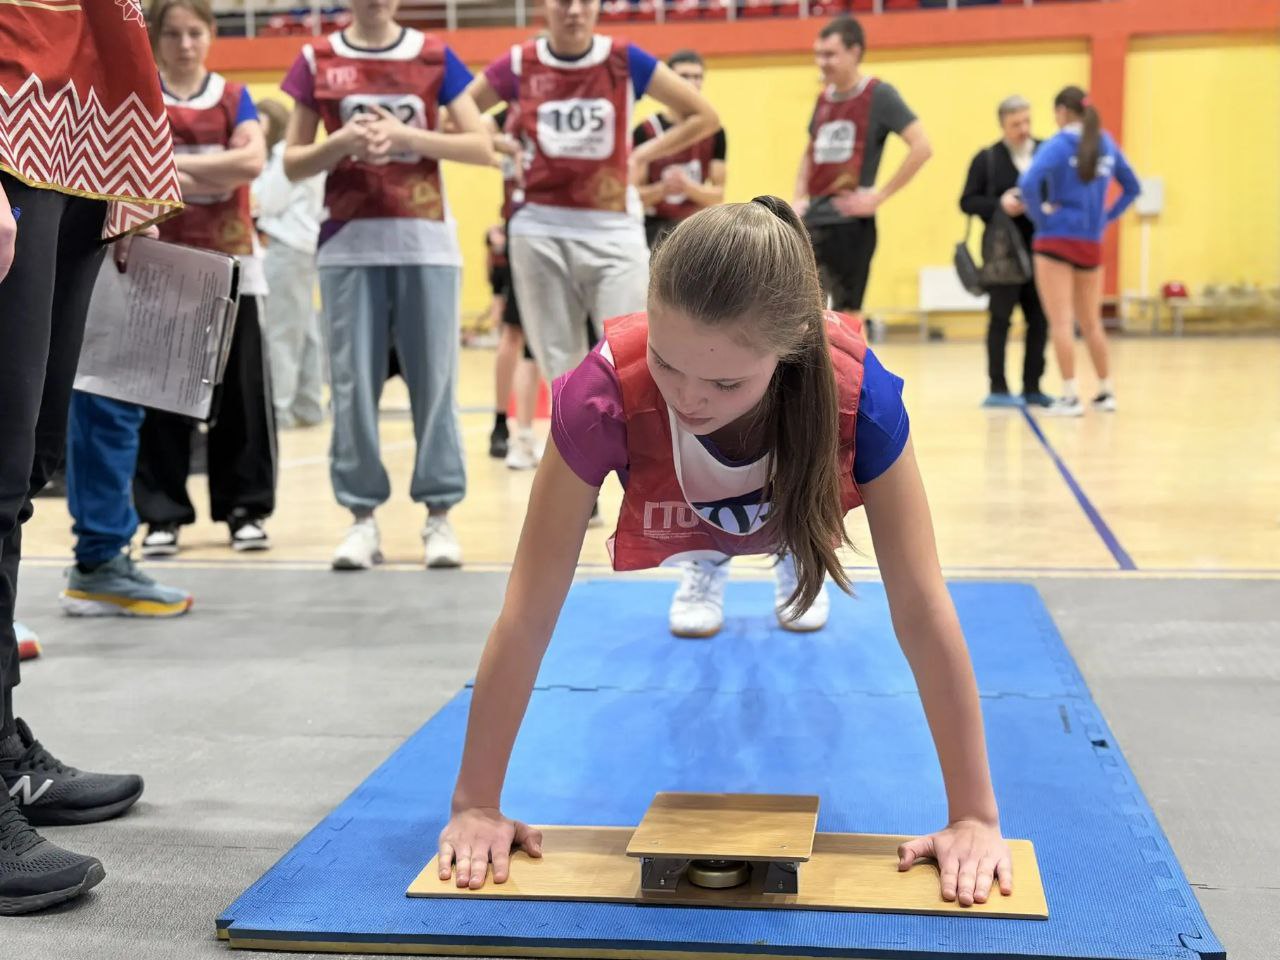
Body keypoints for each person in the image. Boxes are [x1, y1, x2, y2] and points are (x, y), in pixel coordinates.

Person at [435, 199, 1014, 911]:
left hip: (795, 492)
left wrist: (974, 818)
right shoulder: (601, 396)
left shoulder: (861, 402)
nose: (687, 398)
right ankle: (708, 560)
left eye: (725, 383)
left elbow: (923, 610)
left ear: (792, 346)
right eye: (667, 363)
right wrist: (475, 804)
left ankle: (796, 551)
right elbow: (527, 613)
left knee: (802, 527)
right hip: (684, 511)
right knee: (686, 481)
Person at [0, 0, 182, 913]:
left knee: (18, 478)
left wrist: (125, 172)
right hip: (8, 125)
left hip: (71, 137)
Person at [281, 0, 494, 570]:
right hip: (347, 247)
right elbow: (293, 163)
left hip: (426, 243)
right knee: (351, 389)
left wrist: (408, 135)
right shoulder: (315, 58)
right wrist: (342, 142)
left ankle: (440, 515)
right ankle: (361, 518)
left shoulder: (432, 56)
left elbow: (481, 145)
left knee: (437, 385)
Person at [467, 0, 720, 385]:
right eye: (563, 2)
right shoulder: (519, 62)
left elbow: (705, 116)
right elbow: (458, 110)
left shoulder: (623, 58)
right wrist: (506, 147)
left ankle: (631, 444)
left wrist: (643, 152)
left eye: (584, 2)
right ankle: (569, 443)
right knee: (560, 366)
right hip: (539, 229)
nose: (574, 11)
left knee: (629, 354)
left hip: (612, 226)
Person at [134, 0, 276, 558]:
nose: (185, 44)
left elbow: (251, 163)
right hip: (163, 265)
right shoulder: (142, 93)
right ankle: (163, 514)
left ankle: (246, 508)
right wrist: (214, 159)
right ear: (155, 38)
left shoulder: (235, 94)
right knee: (162, 395)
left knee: (241, 395)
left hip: (235, 264)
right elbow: (133, 162)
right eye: (173, 34)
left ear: (211, 35)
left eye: (195, 33)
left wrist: (173, 163)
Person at [793, 16, 931, 314]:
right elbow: (809, 152)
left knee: (847, 314)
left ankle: (852, 363)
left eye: (829, 54)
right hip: (813, 220)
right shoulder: (823, 99)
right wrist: (799, 197)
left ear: (854, 52)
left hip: (850, 223)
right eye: (818, 54)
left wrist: (878, 197)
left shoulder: (879, 95)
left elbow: (922, 147)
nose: (821, 62)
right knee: (803, 313)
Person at [1019, 86, 1140, 417]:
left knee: (1060, 322)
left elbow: (1029, 184)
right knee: (1092, 322)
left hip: (1055, 239)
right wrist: (1106, 218)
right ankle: (1106, 391)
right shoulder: (1106, 143)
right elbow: (1133, 187)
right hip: (1090, 242)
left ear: (1061, 112)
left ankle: (1070, 396)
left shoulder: (1058, 144)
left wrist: (1042, 218)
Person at [959, 94, 1050, 408]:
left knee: (1039, 320)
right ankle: (998, 387)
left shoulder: (1045, 152)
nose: (1023, 129)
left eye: (1027, 121)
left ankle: (1033, 387)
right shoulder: (987, 159)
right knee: (1000, 321)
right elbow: (967, 201)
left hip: (1042, 252)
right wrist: (1000, 203)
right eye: (1015, 124)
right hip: (1003, 257)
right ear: (1003, 125)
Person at [254, 97, 326, 431]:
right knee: (305, 330)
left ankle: (278, 411)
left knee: (281, 332)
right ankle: (309, 405)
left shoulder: (284, 155)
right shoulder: (307, 151)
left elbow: (266, 203)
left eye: (261, 120)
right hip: (306, 246)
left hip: (285, 247)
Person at [485, 107, 543, 471]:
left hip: (556, 234)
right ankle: (500, 424)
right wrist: (507, 147)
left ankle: (526, 433)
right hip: (519, 234)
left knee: (538, 347)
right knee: (513, 334)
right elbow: (465, 128)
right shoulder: (507, 113)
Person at [633, 49, 727, 250]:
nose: (692, 83)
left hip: (696, 225)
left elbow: (718, 195)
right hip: (654, 226)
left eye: (698, 77)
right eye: (684, 76)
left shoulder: (715, 132)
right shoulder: (645, 130)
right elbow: (633, 197)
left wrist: (687, 187)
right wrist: (663, 189)